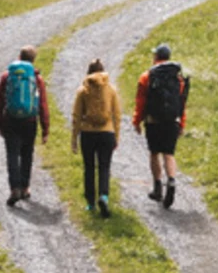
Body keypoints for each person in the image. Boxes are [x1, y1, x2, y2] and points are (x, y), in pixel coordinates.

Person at [132, 43, 190, 208]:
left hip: (153, 121)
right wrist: (182, 123)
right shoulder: (178, 78)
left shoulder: (147, 76)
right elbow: (181, 102)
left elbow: (141, 102)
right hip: (172, 121)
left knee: (154, 153)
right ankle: (171, 180)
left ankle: (157, 187)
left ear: (156, 56)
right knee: (169, 154)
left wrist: (137, 121)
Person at [0, 45, 49, 207]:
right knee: (27, 154)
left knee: (12, 155)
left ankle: (14, 189)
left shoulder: (7, 76)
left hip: (11, 120)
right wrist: (45, 128)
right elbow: (43, 105)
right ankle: (25, 188)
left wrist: (0, 123)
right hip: (29, 121)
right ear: (33, 60)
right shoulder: (37, 79)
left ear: (19, 57)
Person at [70, 58, 121, 217]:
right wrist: (116, 136)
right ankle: (103, 196)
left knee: (89, 167)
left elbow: (76, 116)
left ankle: (91, 203)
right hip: (107, 133)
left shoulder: (83, 90)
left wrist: (74, 138)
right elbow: (117, 115)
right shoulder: (111, 89)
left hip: (88, 134)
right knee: (104, 166)